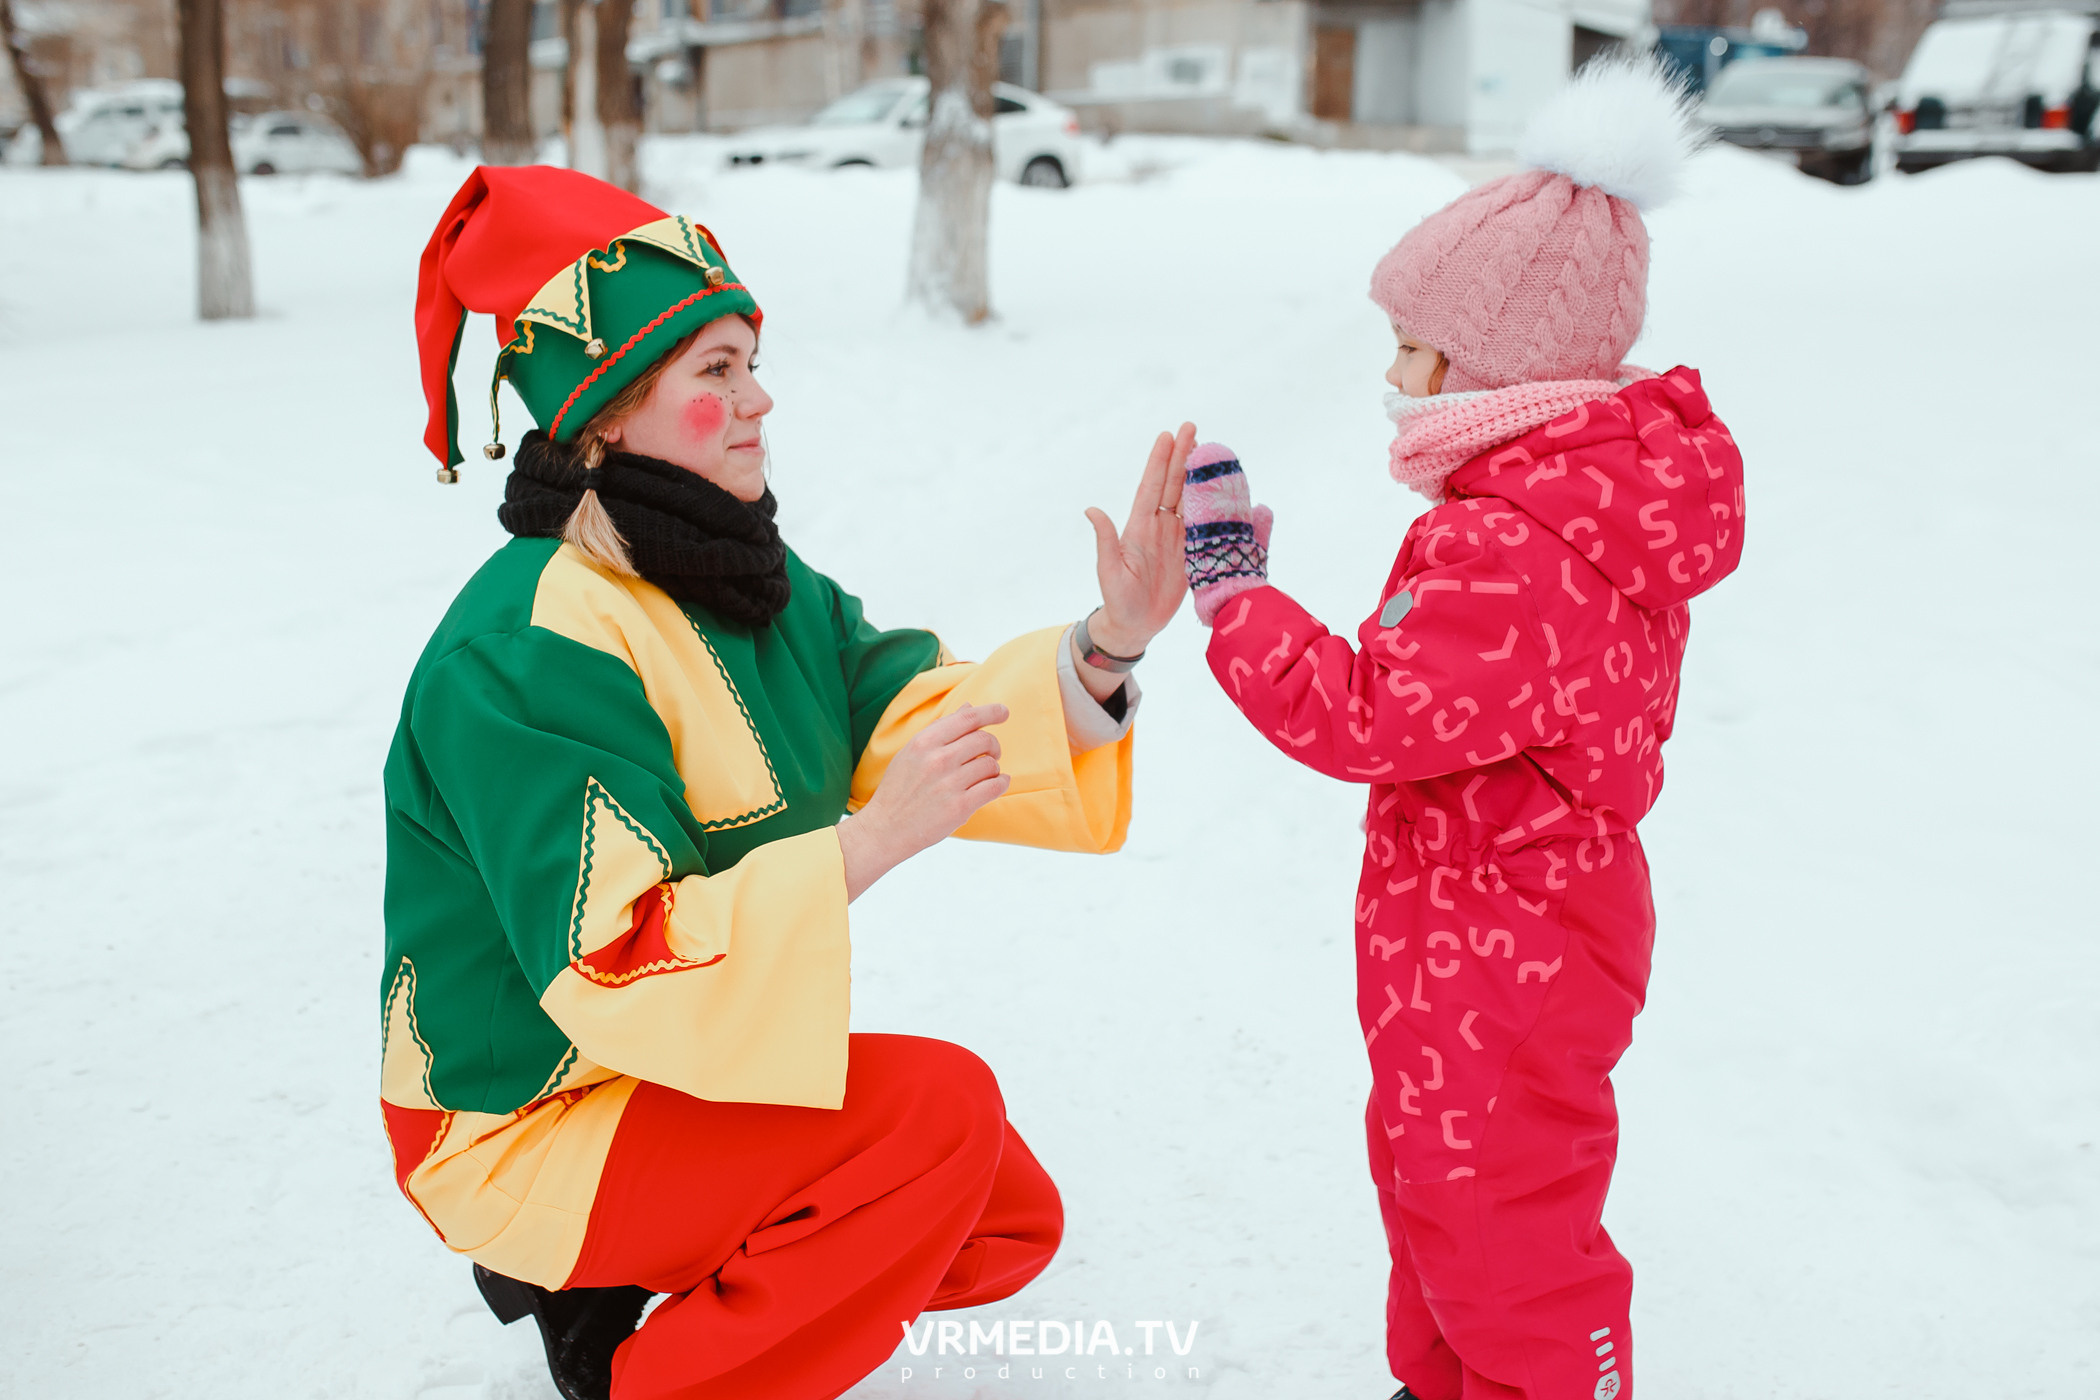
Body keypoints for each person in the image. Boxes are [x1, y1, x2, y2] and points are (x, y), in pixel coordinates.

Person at [384, 165, 1193, 1400]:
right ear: (605, 417)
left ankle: (607, 1293)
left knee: (1000, 1213)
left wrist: (1108, 647)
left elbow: (916, 706)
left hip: (662, 1065)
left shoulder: (736, 571)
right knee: (936, 1120)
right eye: (716, 370)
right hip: (525, 1112)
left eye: (750, 359)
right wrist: (866, 844)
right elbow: (616, 949)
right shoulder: (528, 644)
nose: (761, 397)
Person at [1178, 59, 1744, 1400]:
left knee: (1503, 1224)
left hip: (1511, 947)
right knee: (1441, 1189)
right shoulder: (1555, 507)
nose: (1390, 374)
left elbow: (1364, 712)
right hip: (1486, 933)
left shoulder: (1518, 543)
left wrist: (1232, 592)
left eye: (1411, 344)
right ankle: (1447, 1381)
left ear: (1489, 362)